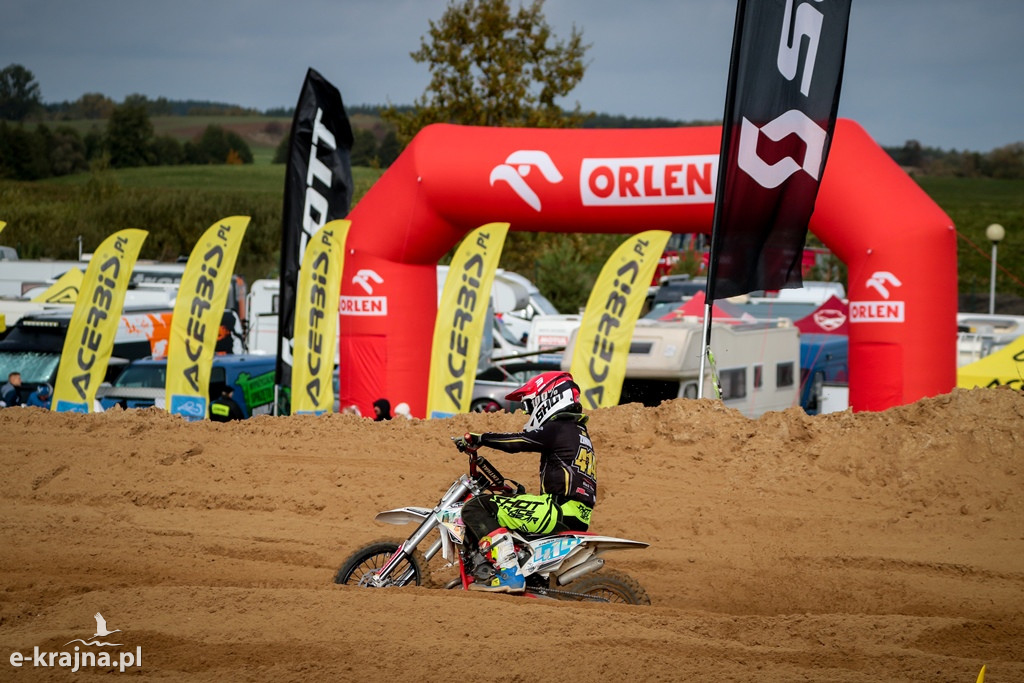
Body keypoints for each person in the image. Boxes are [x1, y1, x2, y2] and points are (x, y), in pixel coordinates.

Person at [453, 371, 596, 593]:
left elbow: (519, 441)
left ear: (548, 398)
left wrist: (482, 438)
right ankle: (527, 572)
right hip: (574, 513)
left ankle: (509, 572)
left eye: (529, 405)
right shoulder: (577, 432)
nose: (527, 412)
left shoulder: (560, 427)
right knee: (512, 501)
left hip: (558, 510)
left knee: (477, 507)